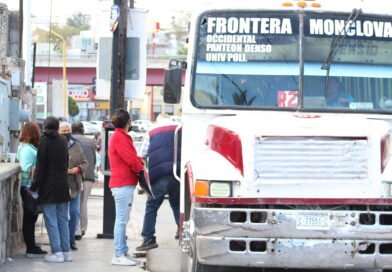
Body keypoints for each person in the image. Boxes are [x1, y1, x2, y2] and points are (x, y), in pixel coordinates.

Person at [136, 113, 181, 251]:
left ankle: (148, 239)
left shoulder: (151, 131)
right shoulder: (180, 128)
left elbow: (141, 155)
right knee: (178, 205)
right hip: (178, 173)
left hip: (160, 174)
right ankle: (182, 232)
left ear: (158, 120)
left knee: (152, 206)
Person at [30, 116, 72, 263]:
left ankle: (57, 252)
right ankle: (66, 252)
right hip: (63, 186)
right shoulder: (63, 141)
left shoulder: (44, 142)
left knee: (51, 220)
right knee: (62, 220)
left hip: (49, 188)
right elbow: (66, 162)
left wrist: (34, 187)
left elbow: (40, 168)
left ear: (45, 127)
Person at [108, 108, 144, 266]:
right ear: (128, 122)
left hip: (122, 183)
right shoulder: (120, 137)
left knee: (123, 219)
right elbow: (130, 159)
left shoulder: (118, 137)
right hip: (122, 183)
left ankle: (123, 251)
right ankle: (118, 254)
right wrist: (141, 169)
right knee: (121, 221)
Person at [16, 122, 47, 258]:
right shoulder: (28, 149)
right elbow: (27, 168)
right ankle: (31, 248)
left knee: (31, 216)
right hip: (29, 187)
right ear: (34, 133)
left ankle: (32, 246)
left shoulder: (24, 147)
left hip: (28, 187)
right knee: (30, 216)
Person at [59, 122, 88, 251]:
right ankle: (62, 240)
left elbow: (85, 162)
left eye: (68, 130)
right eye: (63, 131)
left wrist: (78, 169)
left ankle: (71, 240)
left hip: (75, 184)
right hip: (61, 184)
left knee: (74, 213)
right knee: (62, 214)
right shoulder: (57, 146)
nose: (66, 133)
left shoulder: (76, 145)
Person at [71, 121, 96, 241]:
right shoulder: (90, 141)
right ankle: (82, 229)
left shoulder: (70, 141)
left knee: (73, 203)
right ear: (83, 130)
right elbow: (94, 160)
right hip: (88, 177)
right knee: (83, 203)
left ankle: (74, 229)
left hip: (74, 175)